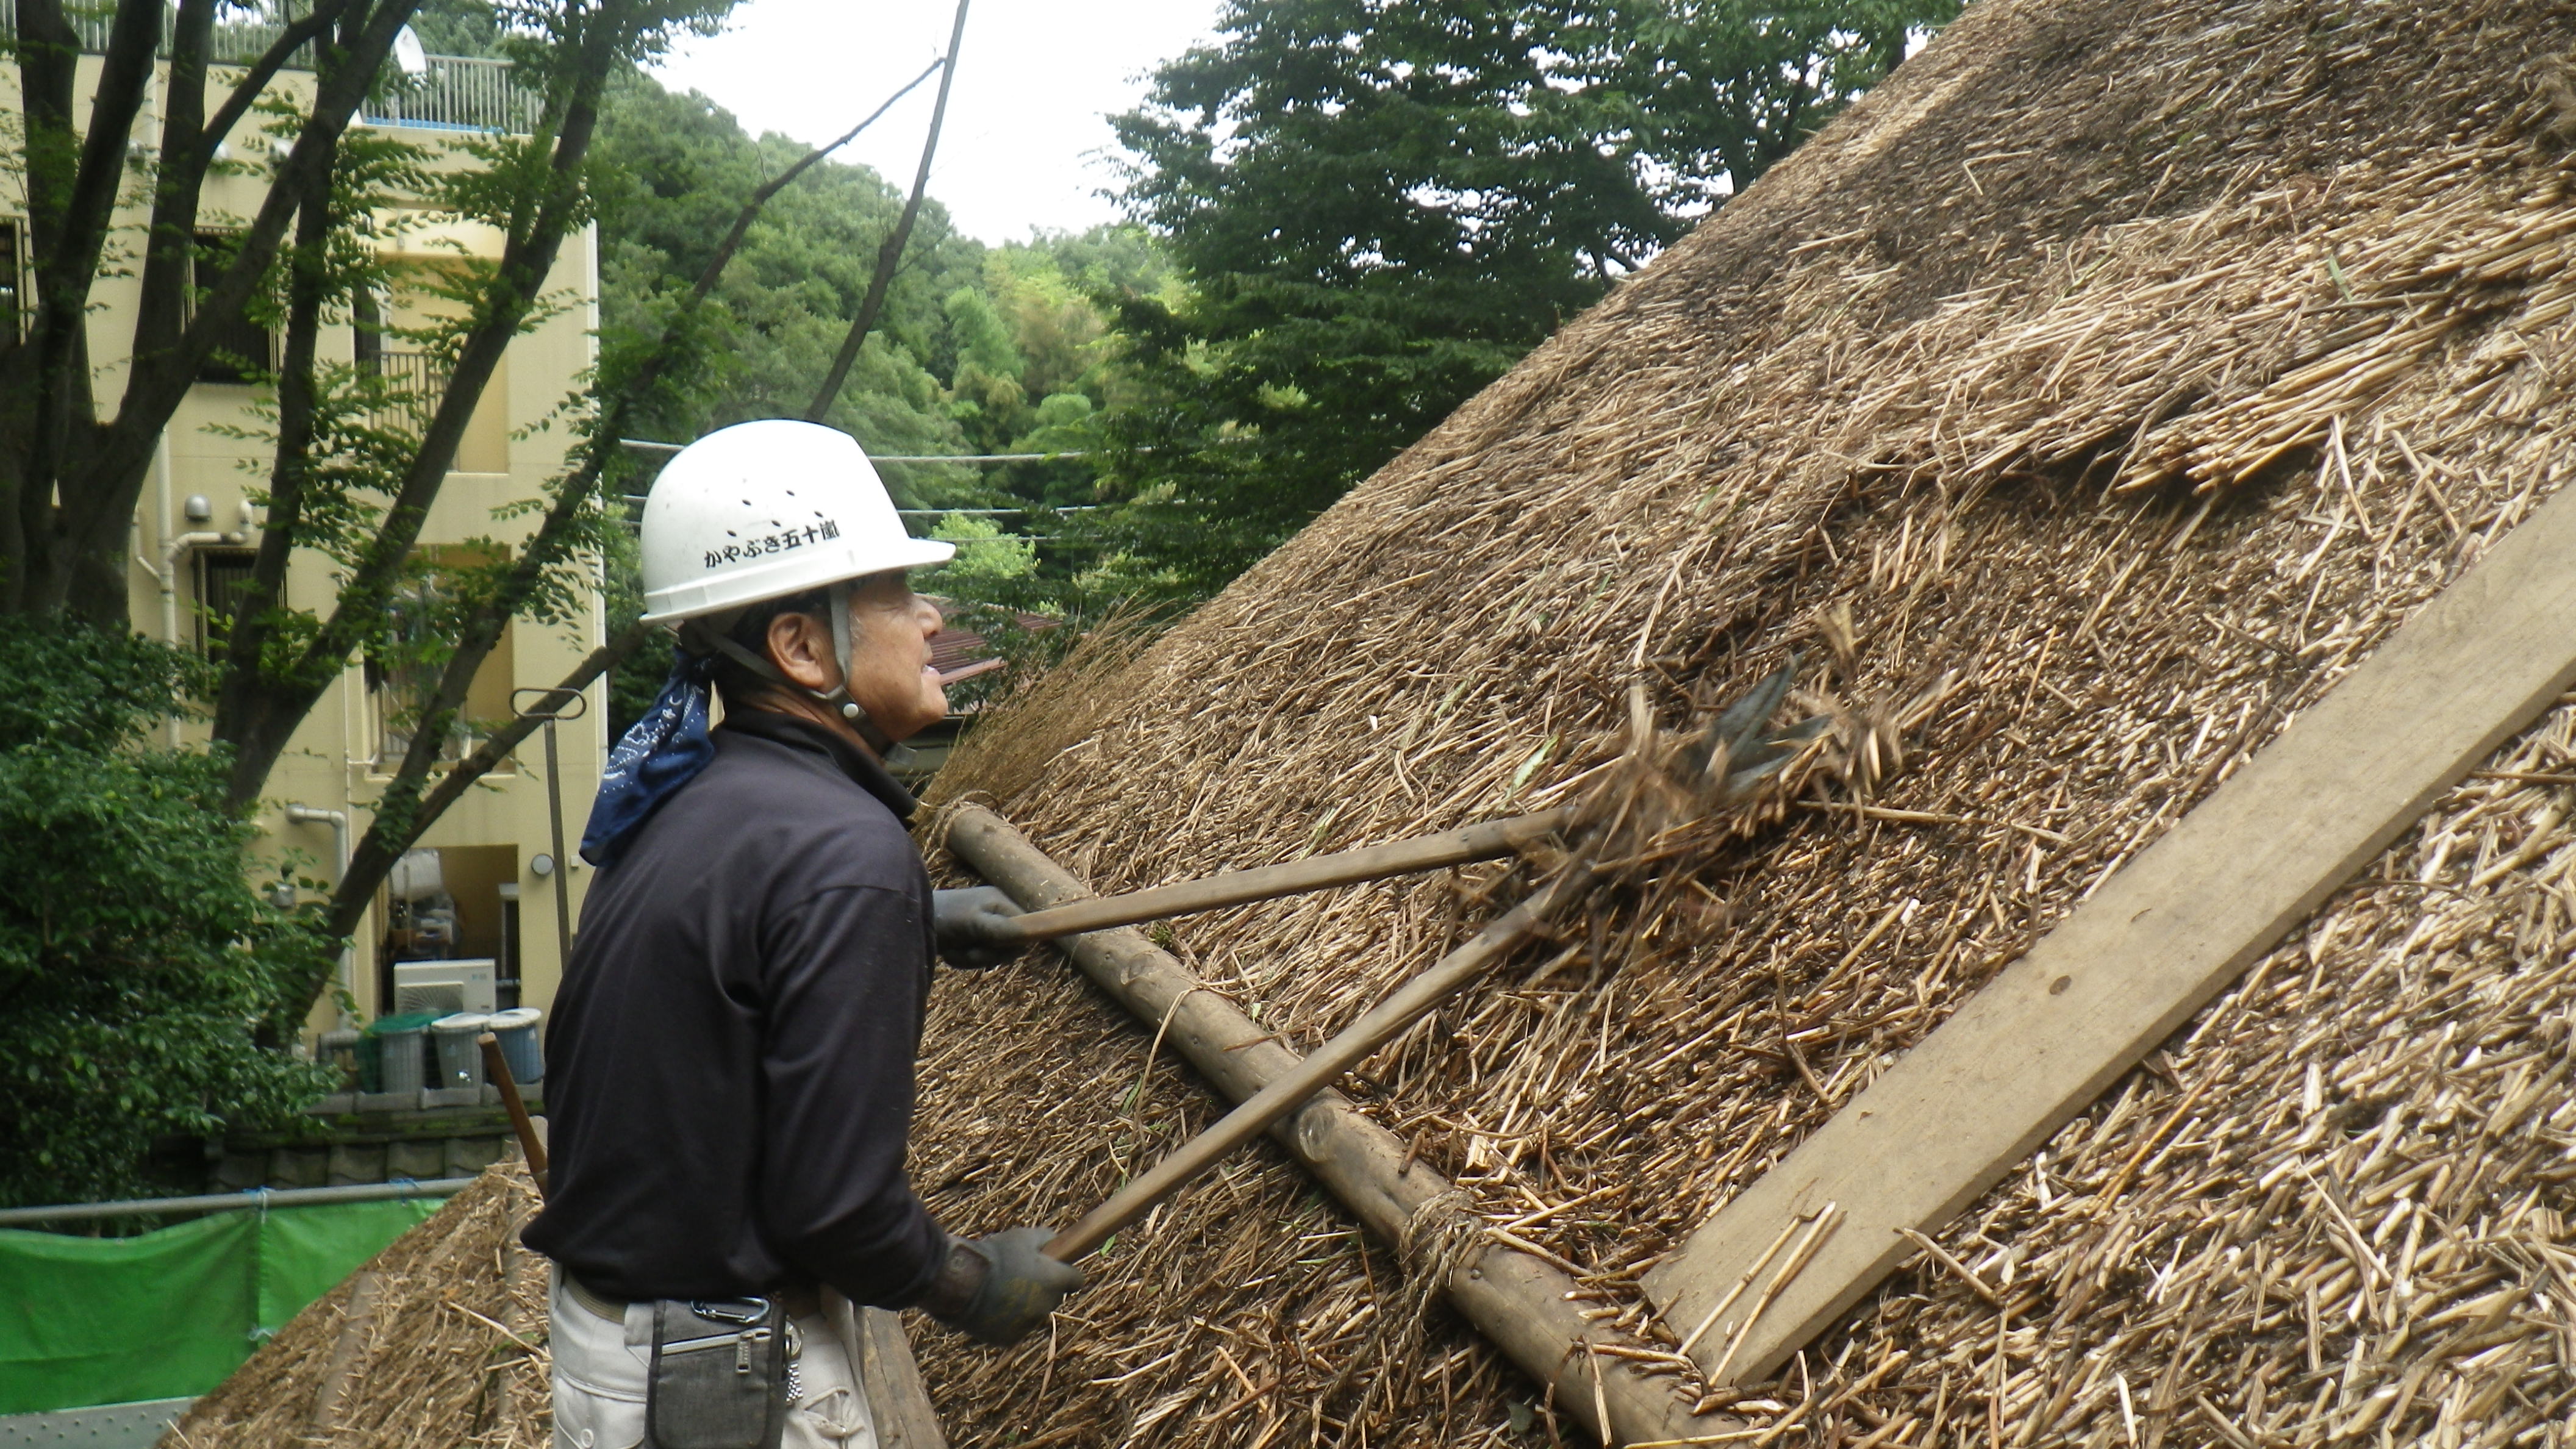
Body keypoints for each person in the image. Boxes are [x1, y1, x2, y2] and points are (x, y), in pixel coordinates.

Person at [524, 419, 1079, 1449]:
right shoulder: (840, 852)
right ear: (802, 647)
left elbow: (707, 979)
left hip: (623, 1350)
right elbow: (840, 1212)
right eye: (895, 597)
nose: (931, 616)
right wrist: (967, 1283)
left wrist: (915, 915)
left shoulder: (686, 799)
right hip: (716, 1385)